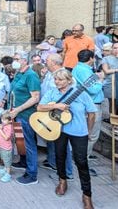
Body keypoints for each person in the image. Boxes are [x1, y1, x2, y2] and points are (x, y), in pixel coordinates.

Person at [37, 69, 96, 209]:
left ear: (69, 81)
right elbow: (39, 107)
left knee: (81, 162)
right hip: (59, 130)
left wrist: (88, 131)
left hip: (79, 132)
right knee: (60, 157)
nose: (57, 82)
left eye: (60, 79)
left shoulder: (81, 93)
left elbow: (92, 114)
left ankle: (87, 195)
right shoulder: (52, 92)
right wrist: (57, 106)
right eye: (56, 79)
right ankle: (62, 181)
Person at [39, 54, 74, 180]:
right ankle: (52, 162)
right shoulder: (49, 73)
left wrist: (53, 106)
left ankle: (68, 172)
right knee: (51, 138)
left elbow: (61, 97)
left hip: (59, 113)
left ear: (53, 62)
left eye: (47, 60)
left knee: (63, 144)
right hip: (48, 111)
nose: (45, 62)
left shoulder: (62, 75)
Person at [9, 51, 40, 185]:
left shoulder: (31, 75)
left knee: (29, 144)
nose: (14, 61)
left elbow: (35, 97)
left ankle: (32, 174)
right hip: (16, 113)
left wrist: (18, 109)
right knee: (20, 142)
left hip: (26, 115)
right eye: (14, 58)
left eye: (17, 59)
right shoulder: (18, 73)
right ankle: (23, 162)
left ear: (24, 61)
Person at [72, 50, 104, 177]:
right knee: (91, 135)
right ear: (91, 58)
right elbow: (92, 88)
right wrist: (100, 80)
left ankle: (80, 159)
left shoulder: (78, 68)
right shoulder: (84, 70)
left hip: (86, 104)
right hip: (92, 105)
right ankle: (82, 163)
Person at [102, 42, 118, 120]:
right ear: (111, 49)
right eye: (115, 48)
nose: (116, 50)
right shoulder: (106, 59)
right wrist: (116, 70)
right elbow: (106, 71)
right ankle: (113, 119)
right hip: (111, 84)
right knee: (113, 102)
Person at [0, 110, 13, 183]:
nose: (2, 121)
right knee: (3, 158)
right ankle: (5, 169)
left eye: (4, 120)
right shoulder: (4, 124)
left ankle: (8, 174)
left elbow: (6, 137)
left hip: (7, 147)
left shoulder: (9, 127)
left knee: (7, 161)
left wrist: (0, 130)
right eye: (1, 119)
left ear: (10, 120)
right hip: (2, 146)